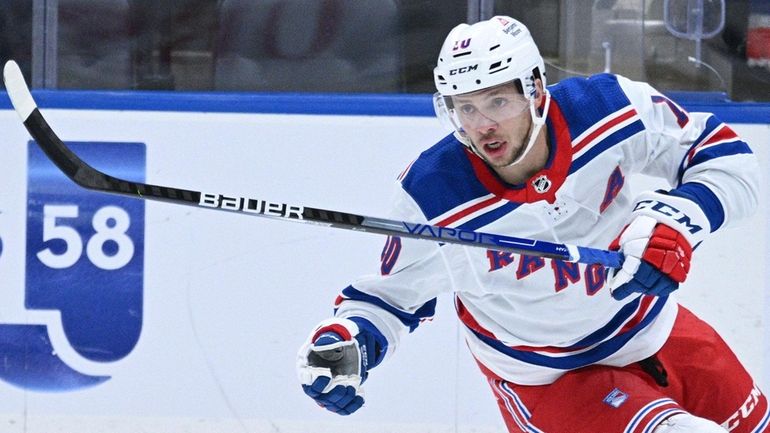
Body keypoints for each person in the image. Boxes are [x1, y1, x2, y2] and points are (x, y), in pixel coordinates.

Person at [296, 15, 766, 433]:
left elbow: (725, 158)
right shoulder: (432, 194)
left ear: (536, 89)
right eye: (466, 108)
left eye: (497, 102)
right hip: (551, 381)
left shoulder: (608, 108)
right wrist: (348, 342)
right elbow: (390, 299)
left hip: (658, 331)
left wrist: (678, 222)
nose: (482, 126)